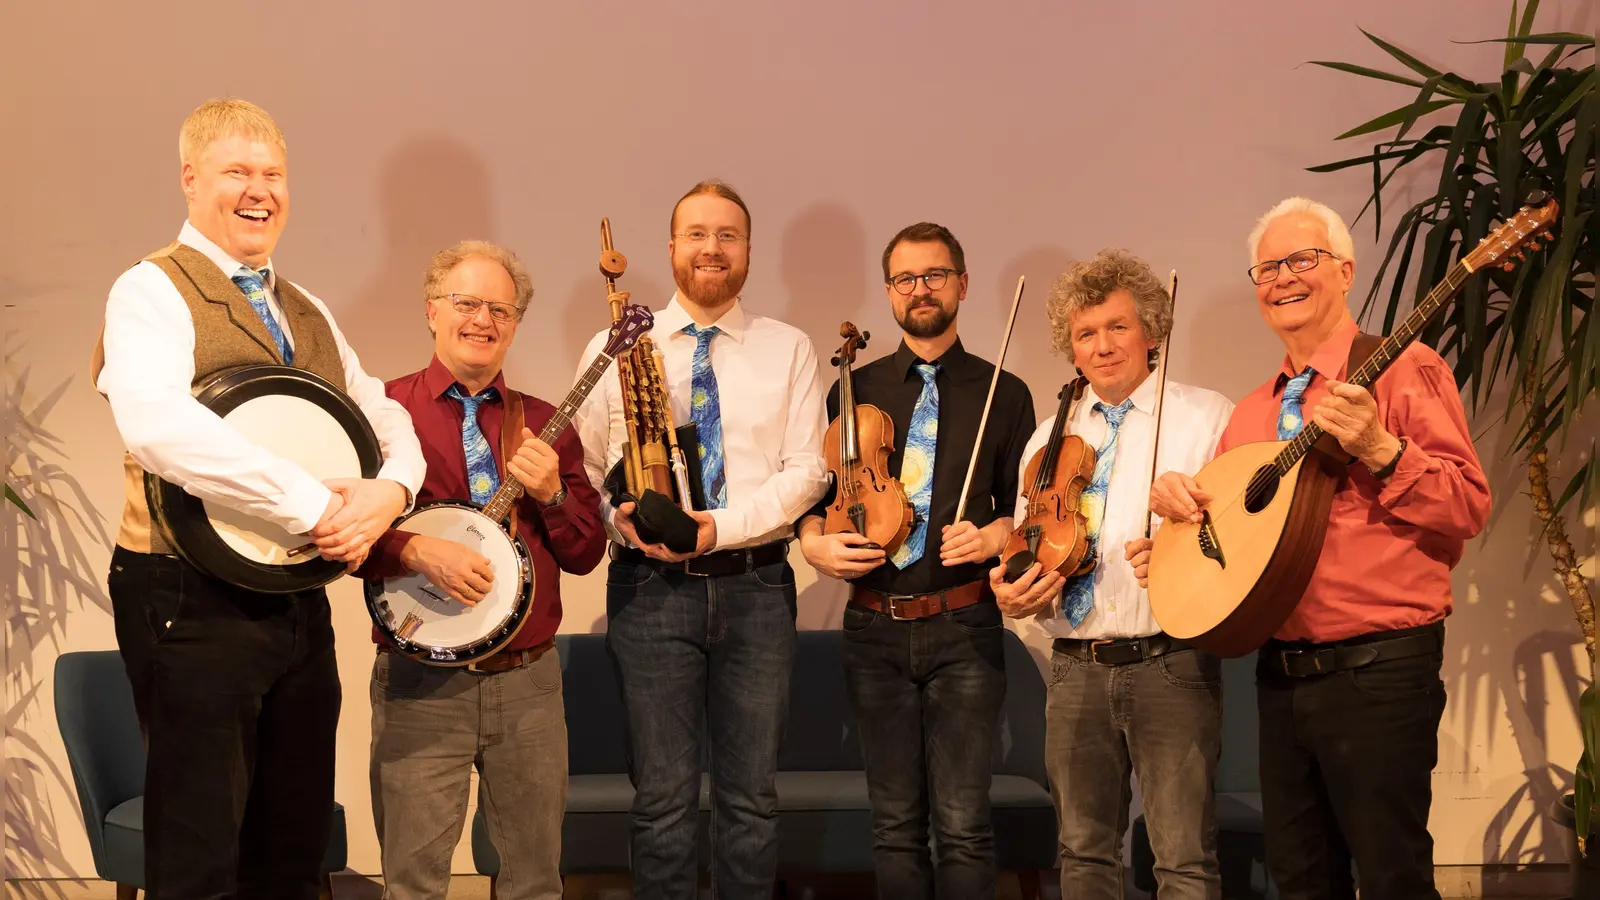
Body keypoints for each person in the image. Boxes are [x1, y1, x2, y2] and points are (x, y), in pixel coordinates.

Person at [92, 97, 425, 900]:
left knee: (294, 841)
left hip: (294, 601)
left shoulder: (302, 305)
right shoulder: (151, 290)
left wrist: (389, 491)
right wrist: (316, 509)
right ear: (190, 178)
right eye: (236, 171)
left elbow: (383, 414)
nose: (259, 190)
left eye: (273, 174)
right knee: (202, 847)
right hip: (187, 598)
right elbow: (158, 427)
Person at [1149, 197, 1491, 900]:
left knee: (1392, 873)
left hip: (1378, 669)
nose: (1282, 279)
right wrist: (1177, 527)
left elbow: (1467, 505)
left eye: (1301, 260)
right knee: (1302, 879)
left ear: (1344, 270)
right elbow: (1232, 543)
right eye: (1267, 267)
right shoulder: (1252, 413)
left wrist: (1381, 449)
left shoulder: (1405, 369)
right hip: (1279, 674)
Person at [571, 180, 829, 900]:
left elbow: (807, 472)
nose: (712, 248)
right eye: (696, 234)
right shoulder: (617, 343)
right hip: (650, 593)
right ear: (671, 248)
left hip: (757, 589)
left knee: (751, 802)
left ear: (748, 250)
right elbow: (585, 470)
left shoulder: (790, 348)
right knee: (661, 804)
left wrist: (717, 528)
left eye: (728, 235)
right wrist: (613, 515)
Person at [358, 240, 606, 900]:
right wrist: (409, 550)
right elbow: (342, 535)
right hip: (419, 685)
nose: (483, 320)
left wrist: (553, 492)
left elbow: (584, 555)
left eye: (501, 308)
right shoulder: (385, 413)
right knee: (412, 885)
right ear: (432, 311)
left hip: (527, 684)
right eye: (466, 303)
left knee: (533, 884)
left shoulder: (548, 424)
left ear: (516, 324)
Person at [796, 222, 1034, 898]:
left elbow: (1027, 513)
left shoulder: (1005, 393)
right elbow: (815, 502)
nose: (920, 289)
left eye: (934, 275)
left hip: (966, 627)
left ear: (961, 282)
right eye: (906, 279)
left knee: (963, 824)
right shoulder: (852, 387)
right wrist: (815, 542)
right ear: (889, 292)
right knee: (894, 824)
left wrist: (992, 539)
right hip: (873, 626)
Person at [991, 249, 1232, 899]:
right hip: (1074, 665)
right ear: (1071, 350)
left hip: (1171, 663)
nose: (1102, 346)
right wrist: (1014, 590)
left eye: (1117, 327)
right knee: (1083, 853)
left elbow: (1237, 541)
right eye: (1086, 334)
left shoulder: (1209, 418)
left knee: (1182, 856)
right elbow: (1029, 544)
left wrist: (1185, 544)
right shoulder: (1050, 434)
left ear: (1151, 331)